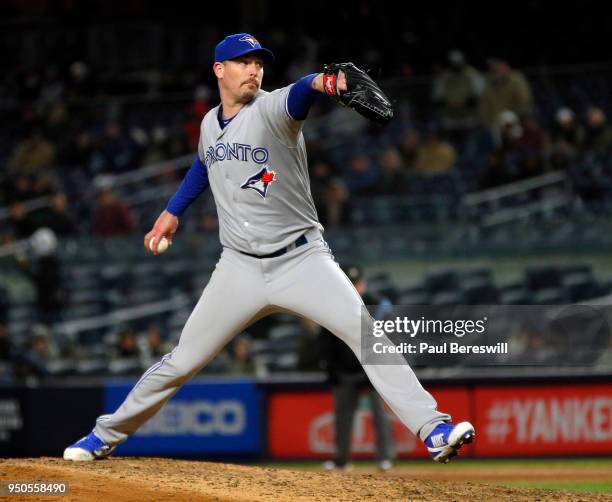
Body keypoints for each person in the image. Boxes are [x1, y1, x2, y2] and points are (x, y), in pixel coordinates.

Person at [64, 33, 474, 463]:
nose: (254, 69)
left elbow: (301, 92)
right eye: (242, 62)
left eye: (258, 62)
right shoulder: (208, 124)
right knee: (181, 361)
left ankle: (434, 428)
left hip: (302, 259)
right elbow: (202, 166)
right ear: (219, 70)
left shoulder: (273, 108)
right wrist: (172, 212)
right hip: (238, 268)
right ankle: (103, 436)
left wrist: (325, 82)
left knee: (366, 335)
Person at [321, 265, 395, 471]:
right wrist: (331, 370)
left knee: (379, 415)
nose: (355, 288)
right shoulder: (333, 306)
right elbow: (327, 342)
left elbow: (387, 340)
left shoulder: (378, 305)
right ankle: (342, 459)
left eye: (357, 283)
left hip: (372, 371)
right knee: (342, 416)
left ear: (364, 284)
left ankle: (385, 457)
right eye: (351, 283)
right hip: (345, 370)